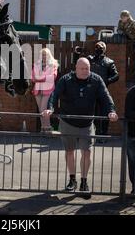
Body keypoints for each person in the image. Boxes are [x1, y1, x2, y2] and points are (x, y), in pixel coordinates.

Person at [43, 58, 118, 192]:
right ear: (76, 68)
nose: (85, 71)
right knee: (69, 151)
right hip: (68, 122)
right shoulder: (66, 79)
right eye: (82, 68)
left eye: (87, 68)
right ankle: (72, 180)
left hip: (87, 123)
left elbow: (106, 97)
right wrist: (50, 108)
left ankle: (84, 181)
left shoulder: (96, 80)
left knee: (87, 151)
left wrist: (111, 111)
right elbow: (54, 95)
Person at [87, 41, 119, 142]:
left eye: (101, 47)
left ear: (104, 49)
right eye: (96, 47)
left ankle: (103, 135)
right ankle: (93, 135)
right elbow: (79, 67)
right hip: (90, 90)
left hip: (103, 91)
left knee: (104, 113)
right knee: (91, 113)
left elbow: (116, 75)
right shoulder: (90, 59)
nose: (98, 49)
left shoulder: (109, 62)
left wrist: (107, 81)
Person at [31, 48, 58, 131]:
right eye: (42, 54)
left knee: (43, 109)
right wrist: (43, 78)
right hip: (38, 89)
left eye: (45, 54)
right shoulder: (36, 64)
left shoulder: (53, 64)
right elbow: (33, 78)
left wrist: (40, 78)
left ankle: (47, 127)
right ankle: (44, 128)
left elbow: (53, 77)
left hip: (48, 89)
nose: (44, 56)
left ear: (49, 55)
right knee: (41, 110)